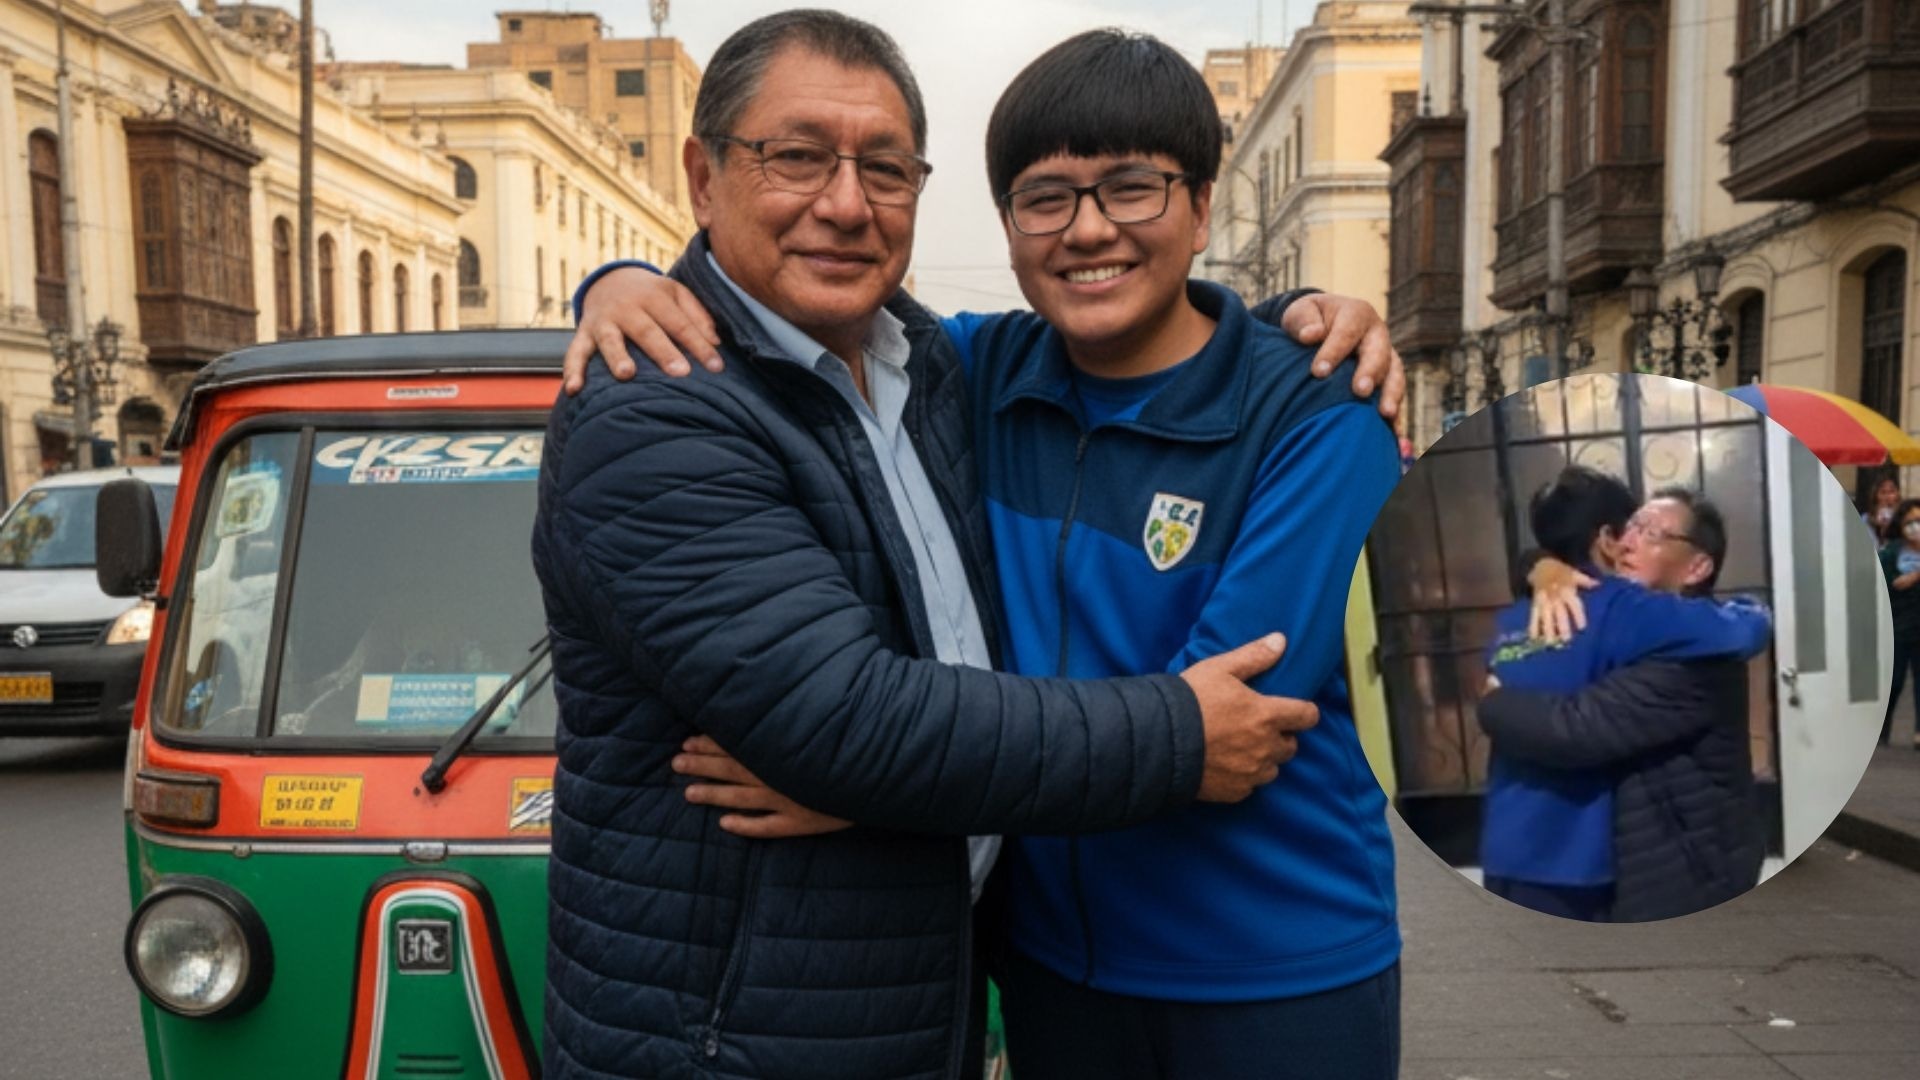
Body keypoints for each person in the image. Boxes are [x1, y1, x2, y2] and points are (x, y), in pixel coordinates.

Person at [531, 14, 1357, 1080]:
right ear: (702, 177)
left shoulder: (935, 367)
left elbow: (1167, 330)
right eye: (795, 157)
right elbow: (845, 720)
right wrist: (1174, 735)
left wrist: (1298, 326)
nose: (844, 202)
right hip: (740, 1040)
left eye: (884, 168)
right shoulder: (654, 410)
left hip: (952, 997)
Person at [1475, 471, 1772, 922]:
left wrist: (1492, 703)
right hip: (1589, 862)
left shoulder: (1690, 651)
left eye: (1650, 533)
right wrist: (1540, 566)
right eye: (1630, 528)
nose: (1631, 543)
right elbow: (1741, 627)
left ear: (1697, 567)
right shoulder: (1617, 610)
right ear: (1606, 538)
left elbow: (1576, 728)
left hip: (1674, 868)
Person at [1881, 497, 1920, 748]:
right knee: (1893, 681)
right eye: (1910, 522)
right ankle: (1882, 726)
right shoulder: (1891, 553)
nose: (1916, 527)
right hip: (1897, 626)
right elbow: (1893, 583)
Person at [1864, 474, 1902, 542]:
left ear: (1897, 495)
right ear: (1876, 496)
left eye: (1891, 492)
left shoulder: (1903, 518)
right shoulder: (1866, 519)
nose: (1887, 497)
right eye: (1883, 492)